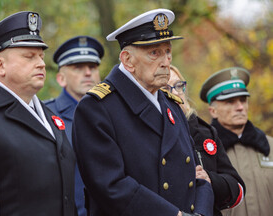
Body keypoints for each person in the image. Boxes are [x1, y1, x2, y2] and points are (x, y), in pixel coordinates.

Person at [72, 9, 214, 216]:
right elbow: (112, 186)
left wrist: (201, 213)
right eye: (154, 53)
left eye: (167, 51)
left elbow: (199, 175)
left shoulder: (172, 104)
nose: (166, 61)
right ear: (128, 60)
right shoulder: (97, 108)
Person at [0, 11, 77, 216]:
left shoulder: (47, 115)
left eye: (41, 56)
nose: (40, 63)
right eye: (29, 57)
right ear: (0, 65)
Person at [166, 65, 245, 216]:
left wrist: (210, 180)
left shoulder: (205, 132)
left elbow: (238, 188)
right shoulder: (147, 131)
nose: (175, 92)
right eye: (166, 88)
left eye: (178, 86)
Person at [200, 67, 273, 216]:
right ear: (213, 111)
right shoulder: (203, 151)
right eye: (230, 102)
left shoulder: (270, 146)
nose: (240, 107)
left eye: (243, 100)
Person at [45, 35, 104, 216]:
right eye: (78, 67)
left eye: (92, 67)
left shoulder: (113, 113)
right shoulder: (47, 115)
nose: (88, 73)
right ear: (61, 78)